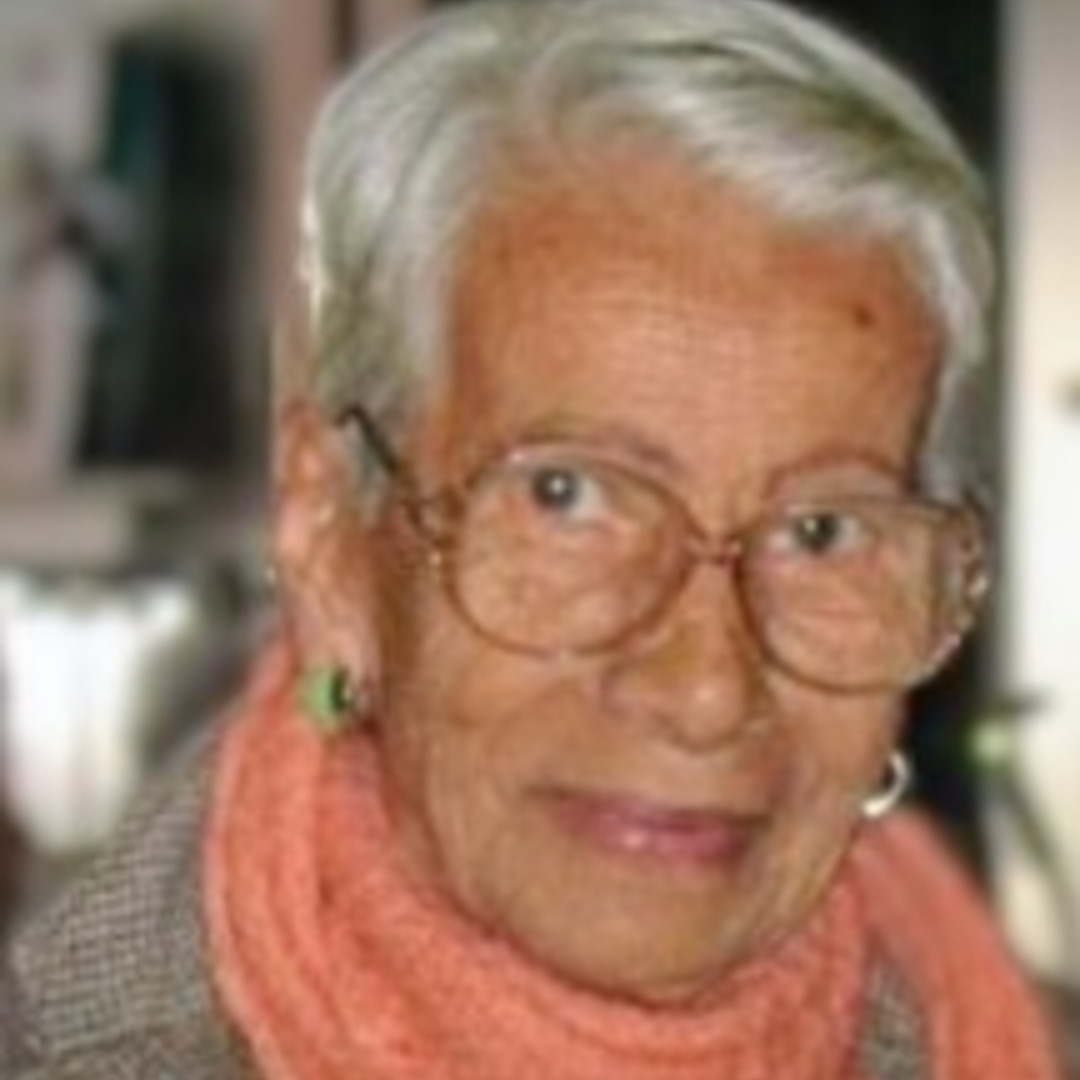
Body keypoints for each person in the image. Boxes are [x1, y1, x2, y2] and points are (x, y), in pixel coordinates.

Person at [0, 0, 1063, 1076]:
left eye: (822, 530)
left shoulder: (981, 1036)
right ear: (329, 541)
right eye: (566, 496)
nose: (704, 691)